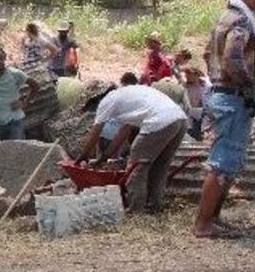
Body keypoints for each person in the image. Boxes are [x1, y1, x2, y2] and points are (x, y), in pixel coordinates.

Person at [194, 0, 255, 239]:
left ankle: (212, 220)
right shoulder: (241, 21)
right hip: (232, 97)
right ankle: (204, 223)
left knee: (227, 162)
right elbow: (233, 58)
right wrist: (247, 85)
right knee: (222, 163)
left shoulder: (226, 16)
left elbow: (209, 53)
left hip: (221, 94)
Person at [78, 84, 188, 213]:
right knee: (160, 166)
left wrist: (83, 155)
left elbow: (96, 130)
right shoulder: (128, 96)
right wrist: (105, 156)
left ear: (95, 100)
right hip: (180, 119)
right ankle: (154, 206)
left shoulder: (107, 100)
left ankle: (136, 210)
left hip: (159, 121)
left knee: (136, 166)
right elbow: (124, 132)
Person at [0, 46, 40, 143]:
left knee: (15, 152)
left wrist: (25, 103)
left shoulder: (15, 73)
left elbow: (35, 86)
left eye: (1, 58)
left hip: (14, 120)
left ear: (5, 58)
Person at [99, 72, 139, 158]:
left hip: (102, 135)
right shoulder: (134, 98)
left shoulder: (114, 94)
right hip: (116, 139)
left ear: (122, 83)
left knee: (101, 161)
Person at [181, 64, 209, 141]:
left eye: (189, 74)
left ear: (196, 74)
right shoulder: (184, 87)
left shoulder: (206, 86)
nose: (187, 76)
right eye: (186, 74)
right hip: (189, 114)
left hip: (203, 114)